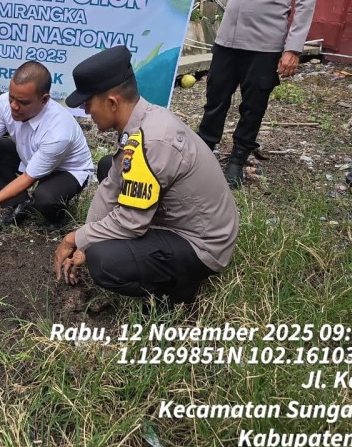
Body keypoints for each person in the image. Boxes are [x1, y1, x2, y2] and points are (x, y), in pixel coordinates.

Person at [54, 46, 239, 306]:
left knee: (104, 261)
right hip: (187, 222)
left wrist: (75, 238)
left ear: (112, 102)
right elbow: (111, 186)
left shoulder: (152, 141)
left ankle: (177, 293)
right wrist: (84, 239)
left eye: (88, 103)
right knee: (109, 166)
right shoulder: (141, 121)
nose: (86, 111)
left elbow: (131, 222)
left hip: (202, 246)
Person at [196, 0, 322, 188]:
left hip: (265, 44)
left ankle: (238, 158)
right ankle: (203, 151)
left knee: (253, 105)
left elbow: (306, 0)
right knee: (215, 98)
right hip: (227, 39)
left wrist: (293, 48)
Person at [0, 61, 93, 228]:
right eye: (11, 97)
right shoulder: (3, 104)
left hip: (67, 170)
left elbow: (28, 178)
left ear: (44, 99)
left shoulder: (58, 131)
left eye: (23, 102)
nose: (14, 106)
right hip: (31, 155)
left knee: (45, 198)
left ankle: (57, 218)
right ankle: (20, 205)